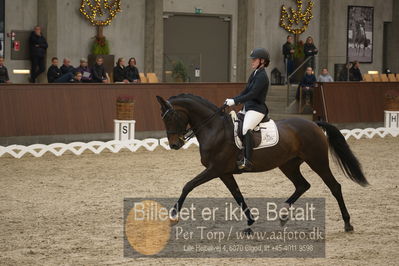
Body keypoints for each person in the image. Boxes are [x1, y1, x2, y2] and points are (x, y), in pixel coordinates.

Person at [224, 48, 270, 170]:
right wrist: (232, 99)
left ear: (262, 61)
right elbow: (246, 91)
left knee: (246, 128)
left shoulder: (262, 76)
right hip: (248, 107)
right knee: (234, 125)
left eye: (254, 59)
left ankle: (247, 160)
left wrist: (236, 101)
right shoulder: (255, 73)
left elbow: (253, 94)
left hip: (257, 109)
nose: (252, 61)